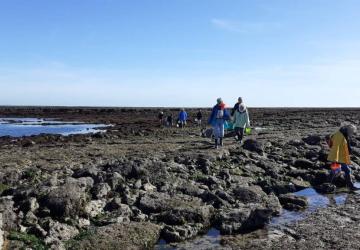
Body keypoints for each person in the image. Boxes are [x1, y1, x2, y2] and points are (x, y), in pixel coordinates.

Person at [327, 124, 359, 190]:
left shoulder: (343, 134)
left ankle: (350, 186)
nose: (352, 133)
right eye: (352, 132)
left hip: (340, 157)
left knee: (345, 170)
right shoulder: (339, 136)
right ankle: (327, 186)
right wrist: (335, 160)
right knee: (335, 172)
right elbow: (336, 148)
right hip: (336, 158)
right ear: (349, 130)